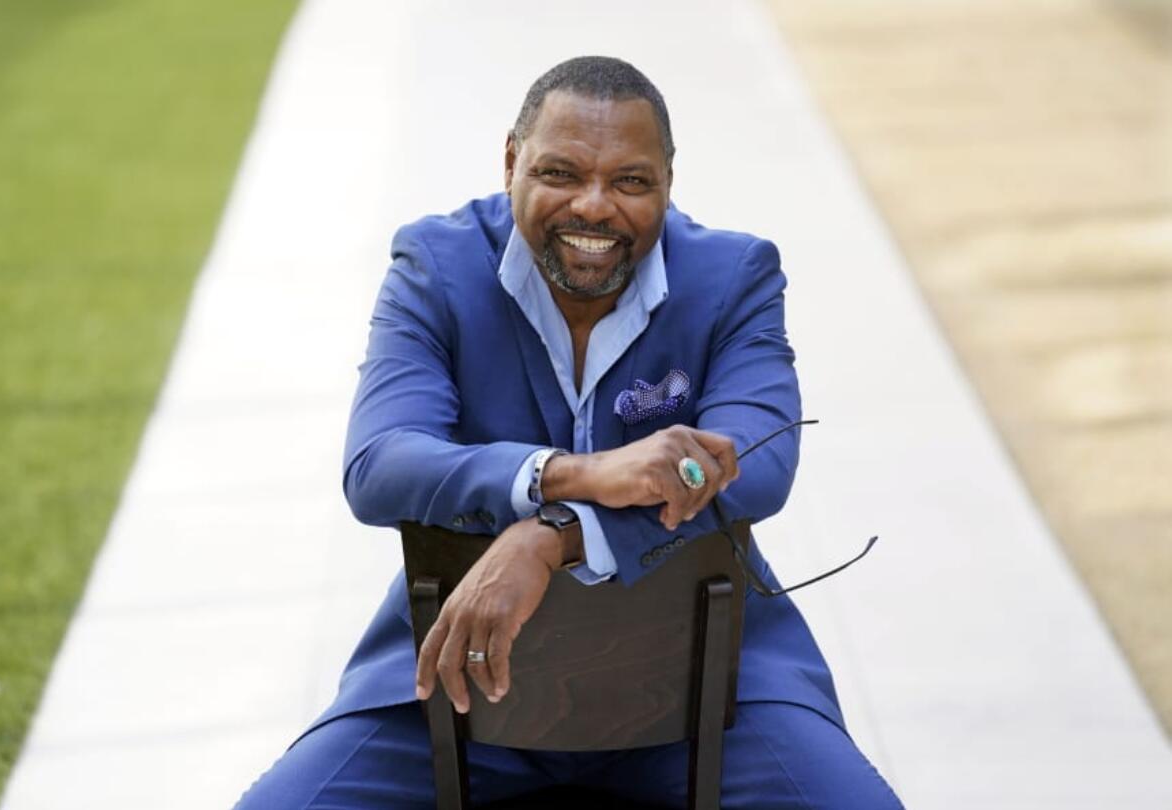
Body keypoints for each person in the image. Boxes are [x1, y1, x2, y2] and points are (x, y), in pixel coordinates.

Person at [235, 55, 903, 809]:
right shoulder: (436, 263)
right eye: (560, 173)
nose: (595, 207)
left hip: (712, 678)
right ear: (511, 160)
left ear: (668, 183)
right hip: (456, 672)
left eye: (630, 181)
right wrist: (573, 475)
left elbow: (755, 462)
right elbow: (381, 464)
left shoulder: (733, 276)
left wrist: (555, 533)